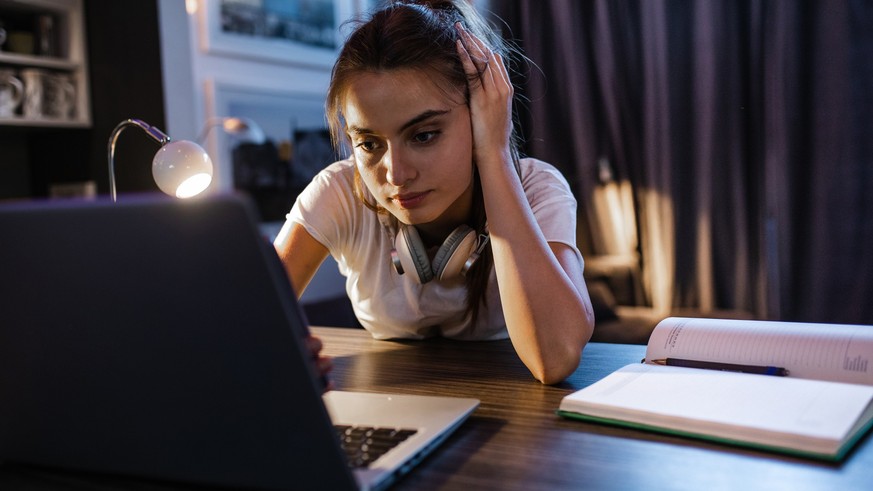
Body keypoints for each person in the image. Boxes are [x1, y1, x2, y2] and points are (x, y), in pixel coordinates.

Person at [274, 0, 594, 384]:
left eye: (424, 135)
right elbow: (242, 320)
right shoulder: (340, 192)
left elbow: (555, 358)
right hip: (390, 410)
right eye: (370, 144)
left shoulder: (536, 188)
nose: (396, 174)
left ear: (480, 118)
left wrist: (493, 153)